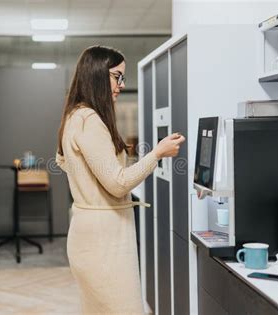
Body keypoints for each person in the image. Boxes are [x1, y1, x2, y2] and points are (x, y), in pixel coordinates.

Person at [56, 45, 185, 314]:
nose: (121, 85)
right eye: (117, 76)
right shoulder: (89, 119)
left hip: (90, 233)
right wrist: (157, 154)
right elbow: (117, 183)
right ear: (97, 75)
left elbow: (64, 161)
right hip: (103, 240)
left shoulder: (73, 116)